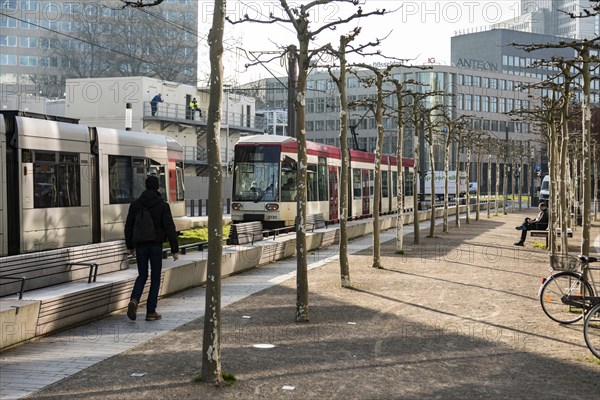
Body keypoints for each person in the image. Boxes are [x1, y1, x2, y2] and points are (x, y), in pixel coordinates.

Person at [124, 175, 179, 321]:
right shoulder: (162, 205)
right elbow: (169, 227)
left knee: (142, 275)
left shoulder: (135, 205)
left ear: (145, 186)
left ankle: (134, 300)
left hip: (140, 245)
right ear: (157, 187)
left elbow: (128, 226)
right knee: (155, 277)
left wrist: (130, 246)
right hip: (155, 245)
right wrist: (174, 249)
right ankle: (150, 311)